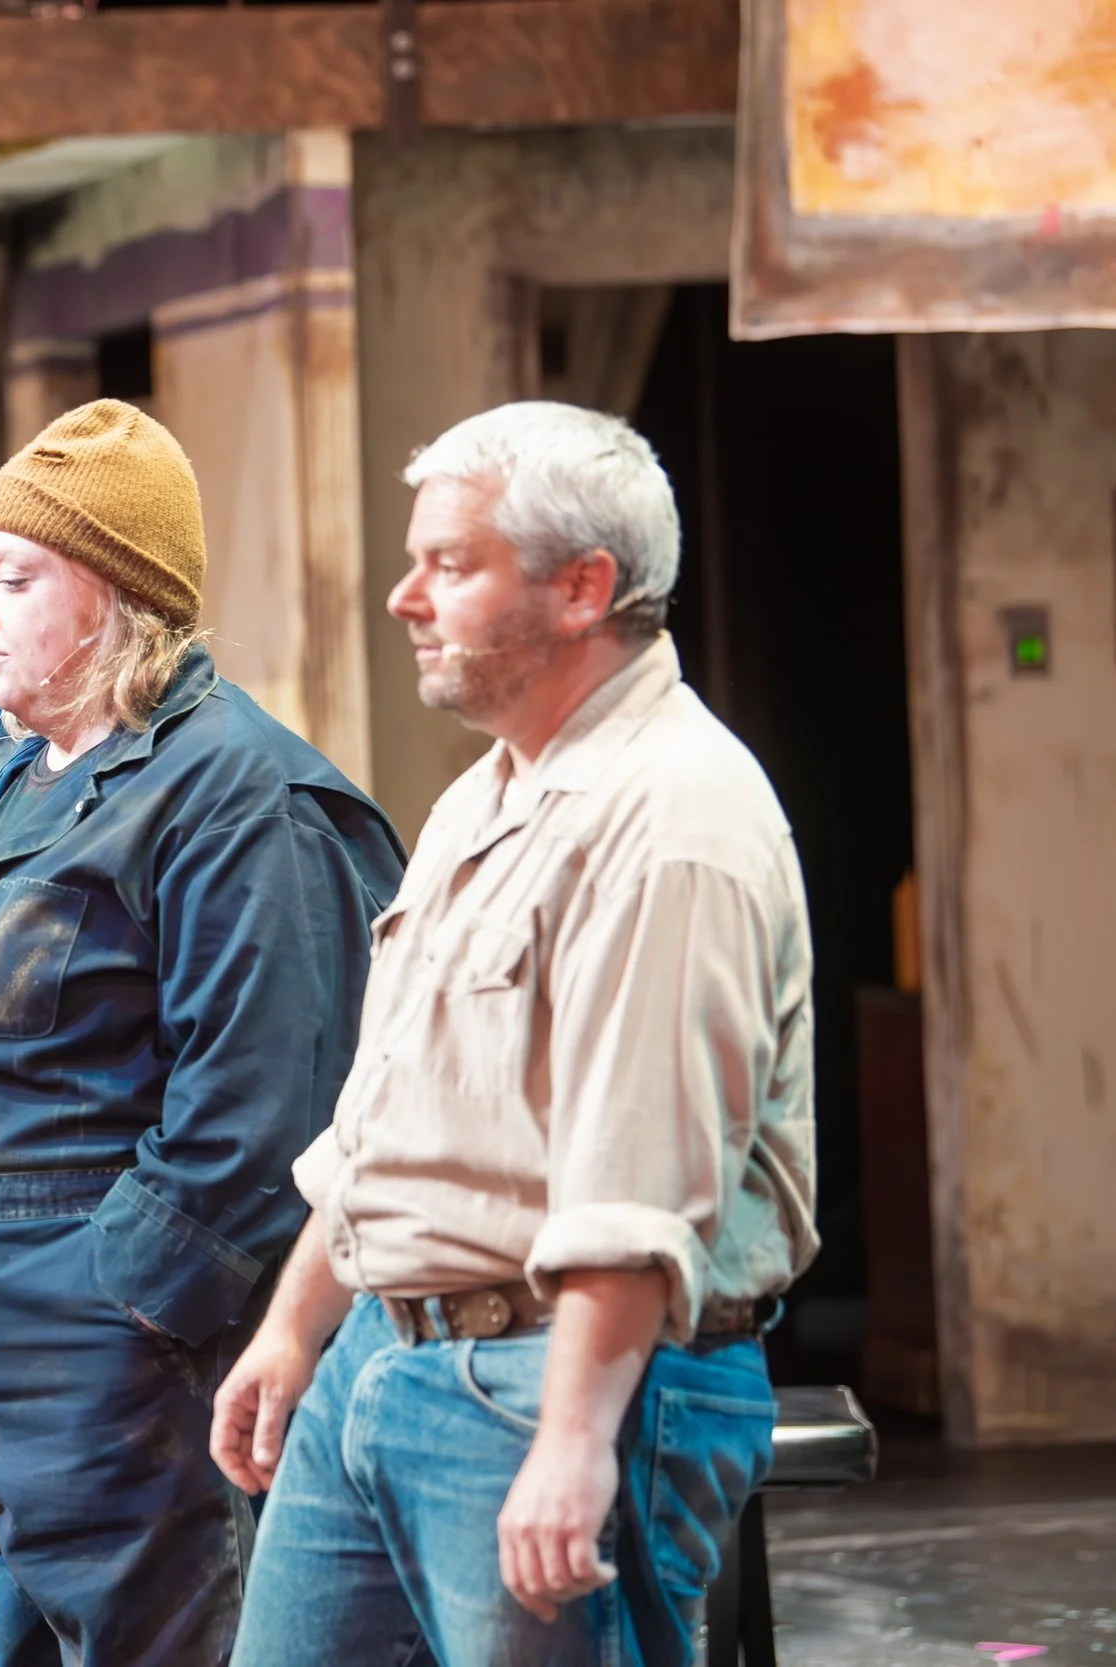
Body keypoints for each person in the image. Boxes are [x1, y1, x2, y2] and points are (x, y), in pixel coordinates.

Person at [213, 402, 818, 1667]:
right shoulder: (487, 793)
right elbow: (389, 1115)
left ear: (582, 587)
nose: (402, 596)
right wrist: (295, 1326)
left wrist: (572, 1437)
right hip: (389, 1357)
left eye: (449, 563)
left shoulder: (672, 816)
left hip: (554, 1377)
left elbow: (638, 1183)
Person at [0, 401, 405, 1664]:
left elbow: (265, 1107)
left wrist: (119, 1318)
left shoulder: (237, 792)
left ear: (112, 593)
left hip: (109, 1405)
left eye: (12, 578)